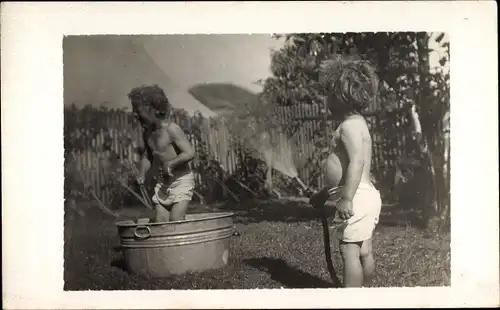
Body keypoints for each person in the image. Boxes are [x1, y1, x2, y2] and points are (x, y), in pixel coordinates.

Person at [309, 56, 382, 288]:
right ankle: (366, 294)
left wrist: (347, 197)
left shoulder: (349, 127)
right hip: (364, 194)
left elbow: (356, 162)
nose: (326, 100)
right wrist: (325, 194)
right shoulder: (359, 123)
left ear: (340, 96)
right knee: (363, 251)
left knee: (348, 252)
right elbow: (347, 169)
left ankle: (352, 299)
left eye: (329, 94)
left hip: (356, 196)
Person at [129, 85, 196, 222]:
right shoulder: (147, 133)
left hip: (181, 181)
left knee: (176, 219)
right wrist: (142, 173)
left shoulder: (171, 130)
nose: (134, 114)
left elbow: (189, 153)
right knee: (161, 221)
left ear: (154, 109)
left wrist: (171, 164)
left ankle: (183, 242)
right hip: (163, 184)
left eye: (138, 110)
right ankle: (166, 243)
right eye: (133, 110)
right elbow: (148, 156)